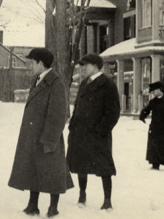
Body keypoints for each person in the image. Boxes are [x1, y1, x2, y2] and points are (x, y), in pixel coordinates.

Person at [8, 48, 74, 217]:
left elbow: (59, 115)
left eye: (32, 62)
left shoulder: (56, 83)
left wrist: (50, 139)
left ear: (40, 63)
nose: (31, 65)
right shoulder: (38, 80)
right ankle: (33, 205)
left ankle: (53, 207)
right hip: (33, 136)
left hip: (47, 137)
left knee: (53, 173)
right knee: (34, 170)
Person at [66, 53, 120, 211]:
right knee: (81, 166)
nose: (83, 68)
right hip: (81, 133)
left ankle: (107, 200)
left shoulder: (107, 84)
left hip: (98, 135)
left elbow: (113, 113)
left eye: (85, 65)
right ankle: (82, 195)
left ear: (96, 66)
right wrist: (73, 126)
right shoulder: (84, 83)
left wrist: (101, 130)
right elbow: (77, 107)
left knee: (104, 168)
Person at [139, 81, 164, 170]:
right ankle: (155, 163)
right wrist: (142, 115)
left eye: (154, 91)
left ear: (158, 89)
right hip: (154, 126)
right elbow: (147, 109)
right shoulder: (153, 102)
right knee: (154, 144)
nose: (153, 93)